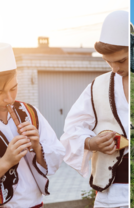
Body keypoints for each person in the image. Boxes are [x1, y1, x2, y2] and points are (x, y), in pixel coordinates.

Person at [60, 10, 129, 208]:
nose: (115, 68)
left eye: (121, 60)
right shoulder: (97, 86)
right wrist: (91, 143)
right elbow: (71, 131)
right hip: (110, 195)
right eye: (108, 62)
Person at [0, 43, 65, 208]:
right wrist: (6, 162)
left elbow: (57, 152)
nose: (9, 99)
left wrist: (37, 147)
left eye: (13, 89)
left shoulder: (29, 112)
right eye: (0, 92)